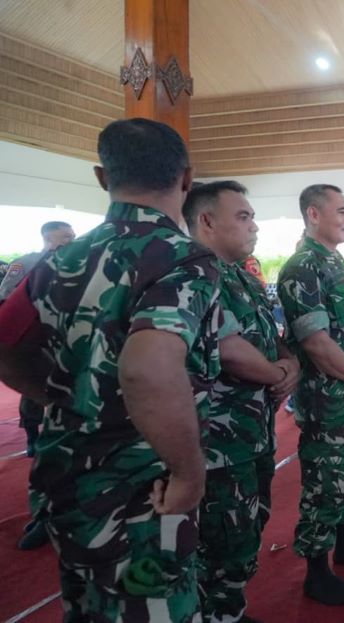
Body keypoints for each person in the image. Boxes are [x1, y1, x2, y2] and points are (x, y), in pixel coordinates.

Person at [0, 118, 221, 621]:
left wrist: (62, 394)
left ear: (103, 177)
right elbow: (148, 369)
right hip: (143, 492)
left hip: (66, 477)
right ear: (186, 180)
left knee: (89, 608)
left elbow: (5, 343)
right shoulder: (182, 258)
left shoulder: (57, 260)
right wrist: (188, 472)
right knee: (155, 609)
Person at [183, 181, 300, 622]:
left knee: (247, 531)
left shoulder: (241, 276)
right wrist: (278, 374)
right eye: (243, 217)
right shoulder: (195, 273)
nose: (255, 226)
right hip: (216, 444)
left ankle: (228, 610)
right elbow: (230, 350)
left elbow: (273, 337)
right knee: (220, 542)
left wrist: (290, 366)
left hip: (252, 433)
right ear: (208, 221)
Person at [277, 184, 344, 606]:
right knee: (324, 485)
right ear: (313, 214)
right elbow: (317, 344)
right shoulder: (304, 267)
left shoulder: (338, 263)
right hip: (329, 400)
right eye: (340, 211)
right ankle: (317, 573)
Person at [0, 221, 75, 460]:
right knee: (36, 387)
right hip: (35, 337)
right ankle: (32, 434)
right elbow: (5, 295)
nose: (70, 241)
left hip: (67, 334)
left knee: (68, 383)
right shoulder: (27, 262)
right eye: (64, 237)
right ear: (47, 238)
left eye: (72, 236)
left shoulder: (79, 262)